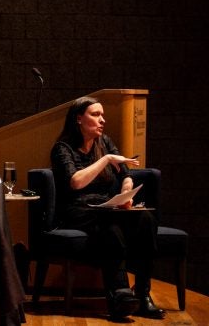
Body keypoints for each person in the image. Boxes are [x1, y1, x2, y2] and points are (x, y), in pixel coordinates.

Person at [50, 96, 166, 320]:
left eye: (102, 115)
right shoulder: (62, 148)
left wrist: (125, 192)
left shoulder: (105, 142)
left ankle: (142, 295)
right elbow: (76, 182)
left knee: (146, 219)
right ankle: (119, 296)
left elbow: (126, 174)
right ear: (78, 119)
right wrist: (106, 160)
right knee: (111, 226)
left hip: (105, 205)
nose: (102, 120)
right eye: (95, 115)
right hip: (78, 209)